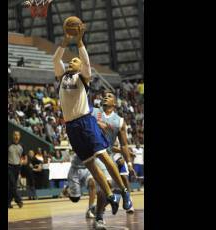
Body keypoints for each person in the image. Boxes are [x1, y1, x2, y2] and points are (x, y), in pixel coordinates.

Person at [52, 24, 132, 215]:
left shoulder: (83, 77)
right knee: (89, 164)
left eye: (75, 61)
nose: (72, 61)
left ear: (80, 67)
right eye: (70, 61)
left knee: (103, 156)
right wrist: (64, 41)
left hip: (86, 122)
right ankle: (111, 197)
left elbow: (86, 63)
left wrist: (79, 42)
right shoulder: (62, 77)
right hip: (71, 127)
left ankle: (125, 191)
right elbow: (56, 59)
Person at [92, 90, 136, 214]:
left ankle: (100, 213)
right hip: (92, 154)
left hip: (107, 156)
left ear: (115, 103)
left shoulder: (120, 121)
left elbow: (124, 145)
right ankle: (113, 199)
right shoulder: (95, 112)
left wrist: (130, 163)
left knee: (105, 186)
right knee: (101, 188)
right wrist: (97, 122)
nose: (106, 97)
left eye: (110, 96)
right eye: (105, 96)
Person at [8, 131, 24, 208]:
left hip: (17, 167)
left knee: (11, 186)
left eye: (18, 135)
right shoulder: (9, 144)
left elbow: (24, 156)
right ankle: (19, 200)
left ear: (20, 136)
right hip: (9, 166)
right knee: (13, 184)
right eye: (15, 135)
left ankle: (8, 202)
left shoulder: (21, 146)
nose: (16, 136)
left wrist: (22, 161)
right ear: (13, 136)